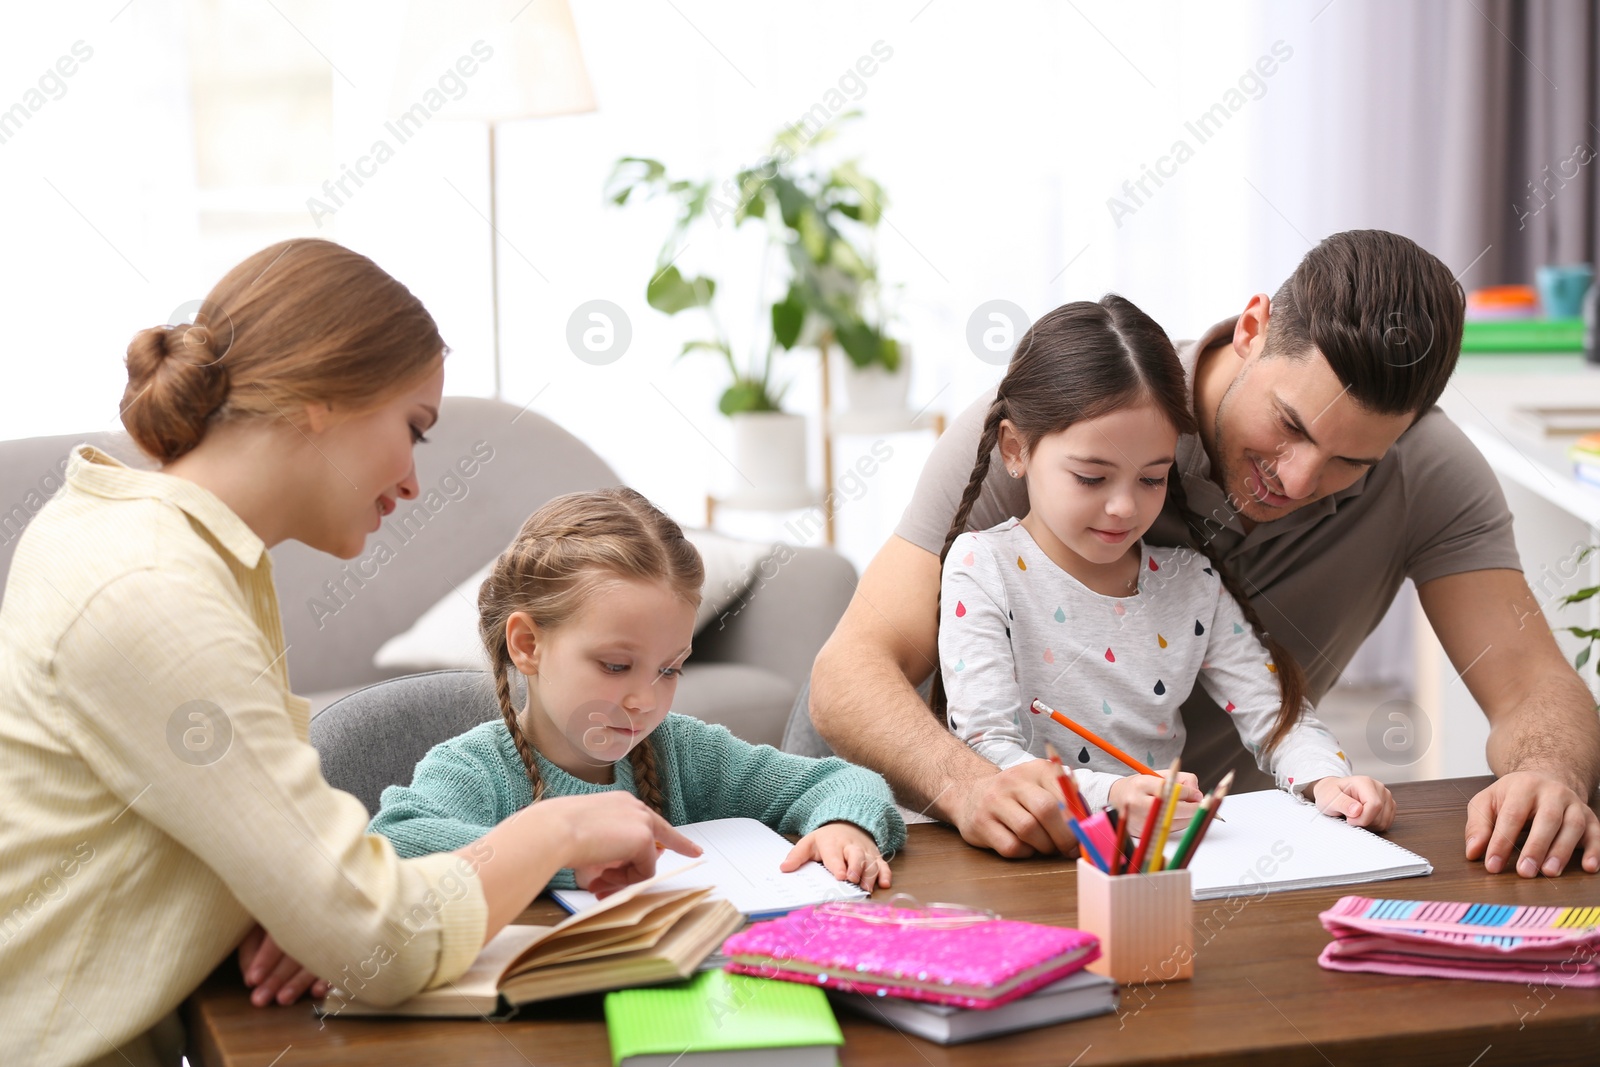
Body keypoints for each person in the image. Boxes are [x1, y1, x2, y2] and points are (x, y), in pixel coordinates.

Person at [0, 240, 699, 1067]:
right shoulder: (154, 591)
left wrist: (300, 904)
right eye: (415, 430)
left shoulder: (145, 536)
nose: (411, 481)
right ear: (323, 396)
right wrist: (560, 824)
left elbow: (254, 845)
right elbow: (387, 940)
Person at [806, 229, 1600, 877]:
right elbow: (849, 675)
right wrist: (973, 786)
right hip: (913, 824)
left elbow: (1532, 682)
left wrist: (1548, 773)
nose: (1297, 478)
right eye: (1290, 425)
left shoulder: (1427, 468)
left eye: (1351, 464)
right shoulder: (1056, 426)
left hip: (1192, 854)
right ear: (1252, 329)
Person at [936, 295, 1393, 829]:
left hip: (1157, 861)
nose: (1125, 507)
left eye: (1152, 477)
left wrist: (1327, 779)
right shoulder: (982, 566)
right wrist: (1114, 794)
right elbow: (988, 753)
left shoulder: (1190, 582)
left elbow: (1274, 718)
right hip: (1033, 860)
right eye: (1090, 477)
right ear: (1015, 451)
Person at [369, 488, 904, 892]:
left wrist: (844, 824)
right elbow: (393, 845)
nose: (645, 701)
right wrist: (563, 848)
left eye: (669, 670)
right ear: (528, 644)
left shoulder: (685, 755)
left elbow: (842, 780)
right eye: (616, 664)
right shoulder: (478, 771)